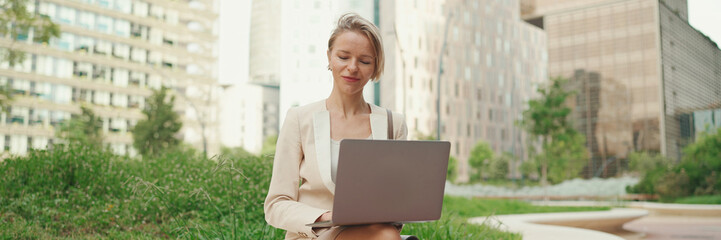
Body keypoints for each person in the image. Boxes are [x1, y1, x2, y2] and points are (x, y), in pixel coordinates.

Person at [264, 13, 408, 240]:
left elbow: (396, 199)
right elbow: (276, 205)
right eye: (343, 57)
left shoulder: (393, 124)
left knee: (387, 234)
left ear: (375, 67)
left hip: (374, 233)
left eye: (364, 61)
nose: (352, 67)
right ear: (329, 57)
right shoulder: (300, 119)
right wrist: (327, 217)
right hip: (315, 234)